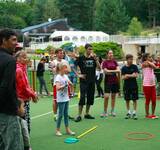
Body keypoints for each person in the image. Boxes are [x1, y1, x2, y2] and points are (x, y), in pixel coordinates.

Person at [0, 29, 24, 150]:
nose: (16, 43)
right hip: (7, 112)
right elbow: (6, 87)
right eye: (13, 40)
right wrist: (17, 107)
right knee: (14, 146)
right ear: (4, 40)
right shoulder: (10, 60)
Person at [74, 43, 101, 122]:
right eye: (89, 49)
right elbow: (73, 66)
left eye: (91, 49)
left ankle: (87, 113)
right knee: (82, 97)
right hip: (83, 81)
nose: (90, 50)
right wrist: (78, 75)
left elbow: (99, 68)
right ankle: (79, 115)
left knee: (90, 97)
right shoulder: (81, 58)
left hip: (92, 81)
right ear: (86, 49)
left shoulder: (93, 58)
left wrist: (96, 60)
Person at [15, 50, 38, 133]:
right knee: (24, 122)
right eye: (24, 57)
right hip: (21, 100)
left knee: (25, 120)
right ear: (18, 59)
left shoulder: (23, 68)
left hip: (24, 98)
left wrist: (32, 93)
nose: (26, 59)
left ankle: (25, 142)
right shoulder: (19, 70)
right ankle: (25, 144)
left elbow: (26, 85)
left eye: (26, 57)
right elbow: (23, 87)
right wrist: (33, 95)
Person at [55, 62, 75, 136]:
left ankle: (67, 129)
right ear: (61, 68)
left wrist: (72, 92)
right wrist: (64, 85)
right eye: (65, 68)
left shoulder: (65, 76)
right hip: (61, 99)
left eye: (66, 67)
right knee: (60, 115)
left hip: (66, 98)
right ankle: (57, 130)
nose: (66, 69)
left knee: (66, 114)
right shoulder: (58, 77)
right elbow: (57, 88)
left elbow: (71, 84)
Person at [50, 48, 70, 121]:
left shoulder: (65, 61)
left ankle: (65, 113)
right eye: (60, 53)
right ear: (56, 54)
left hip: (65, 83)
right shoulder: (53, 62)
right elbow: (54, 72)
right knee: (55, 100)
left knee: (66, 99)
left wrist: (63, 70)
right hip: (57, 83)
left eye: (62, 53)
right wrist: (58, 67)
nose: (62, 54)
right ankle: (55, 114)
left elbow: (68, 71)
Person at [101, 50, 120, 118]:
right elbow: (105, 71)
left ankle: (112, 111)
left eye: (112, 53)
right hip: (107, 81)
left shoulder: (115, 62)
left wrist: (110, 71)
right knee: (106, 97)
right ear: (107, 54)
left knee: (113, 96)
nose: (111, 54)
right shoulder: (105, 62)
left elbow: (118, 70)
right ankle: (105, 111)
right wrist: (113, 71)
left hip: (115, 81)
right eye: (109, 53)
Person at [121, 54, 139, 120]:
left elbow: (136, 75)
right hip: (126, 86)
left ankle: (134, 113)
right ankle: (128, 112)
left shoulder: (135, 66)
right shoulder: (123, 68)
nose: (131, 60)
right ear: (127, 59)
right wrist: (131, 75)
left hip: (134, 86)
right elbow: (122, 77)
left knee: (134, 99)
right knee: (127, 99)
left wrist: (127, 75)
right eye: (130, 59)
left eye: (132, 59)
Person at [142, 53, 158, 119]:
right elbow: (155, 67)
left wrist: (151, 62)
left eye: (151, 57)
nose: (151, 58)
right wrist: (150, 61)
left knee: (154, 100)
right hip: (146, 85)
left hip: (152, 84)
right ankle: (147, 114)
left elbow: (155, 67)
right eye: (149, 57)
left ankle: (153, 114)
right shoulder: (144, 63)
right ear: (145, 58)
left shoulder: (150, 63)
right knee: (147, 100)